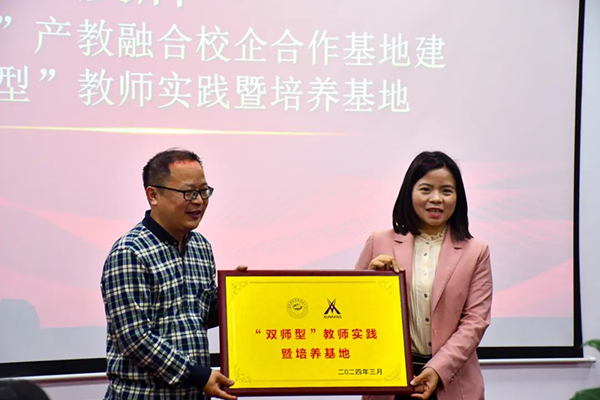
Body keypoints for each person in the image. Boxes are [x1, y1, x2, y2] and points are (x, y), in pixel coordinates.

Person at [101, 148, 243, 400]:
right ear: (153, 195)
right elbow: (135, 338)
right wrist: (198, 376)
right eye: (188, 192)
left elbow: (199, 315)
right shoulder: (130, 252)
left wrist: (235, 295)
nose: (198, 201)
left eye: (204, 191)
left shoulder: (200, 246)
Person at [355, 151, 492, 400]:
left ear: (458, 197)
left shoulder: (476, 251)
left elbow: (475, 321)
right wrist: (369, 282)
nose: (436, 199)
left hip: (452, 381)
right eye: (426, 189)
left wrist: (437, 369)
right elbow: (352, 310)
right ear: (410, 193)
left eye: (446, 191)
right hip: (389, 381)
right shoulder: (379, 242)